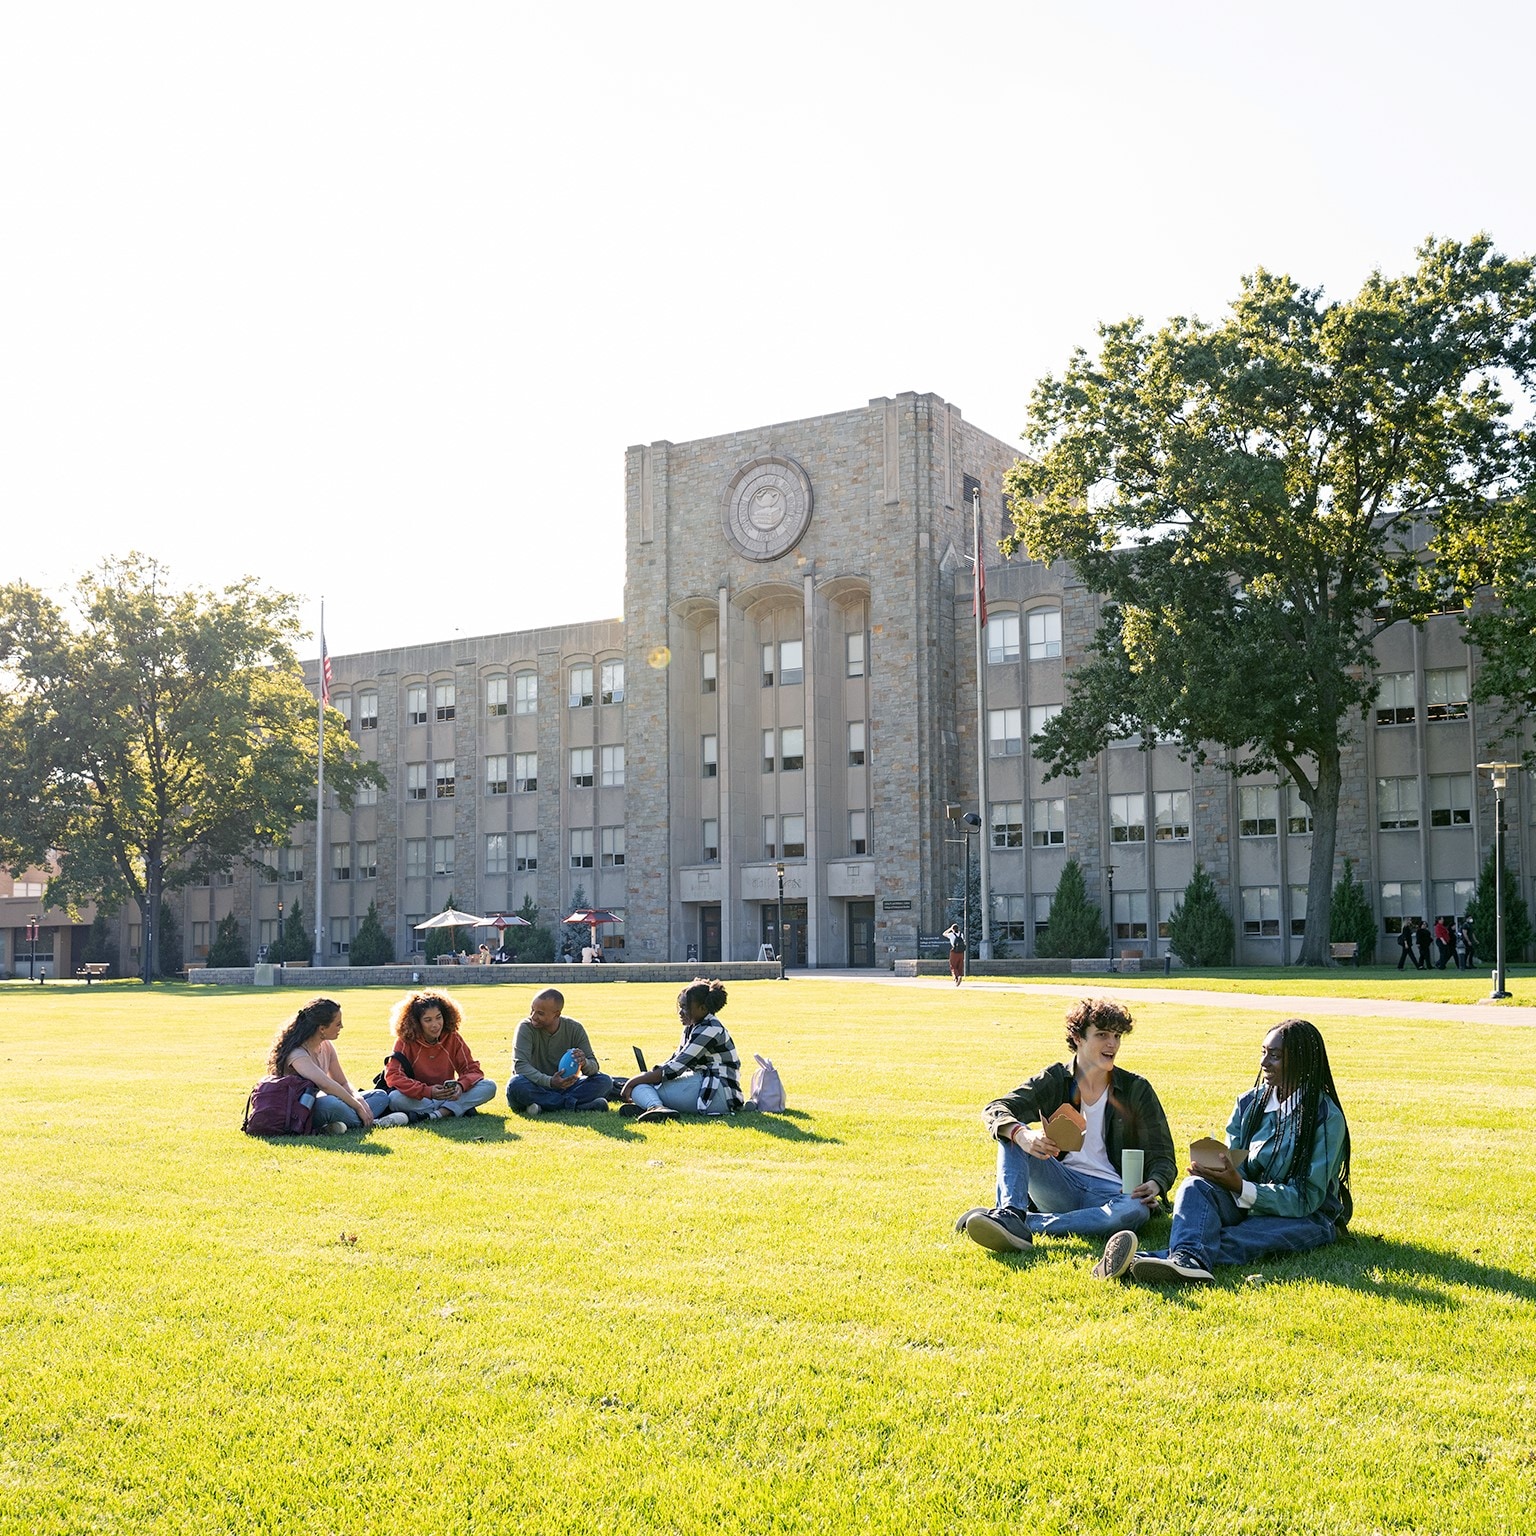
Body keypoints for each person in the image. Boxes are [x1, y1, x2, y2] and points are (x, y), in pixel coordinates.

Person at [1096, 1017, 1351, 1284]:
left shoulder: (1324, 1117)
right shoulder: (1249, 1103)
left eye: (1274, 1056)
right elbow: (1235, 1161)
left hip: (1306, 1216)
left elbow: (1306, 1198)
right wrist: (1215, 1172)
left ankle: (1145, 1260)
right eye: (1263, 1053)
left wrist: (1241, 1186)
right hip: (1244, 1200)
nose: (1264, 1063)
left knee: (1244, 1237)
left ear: (1302, 1061)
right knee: (1194, 1186)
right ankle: (1182, 1262)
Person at [955, 998, 1177, 1256]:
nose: (1112, 1044)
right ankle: (1010, 1213)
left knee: (1135, 1211)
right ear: (1078, 1038)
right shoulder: (1055, 1079)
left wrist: (1155, 1184)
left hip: (1113, 1194)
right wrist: (1023, 1135)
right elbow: (997, 1108)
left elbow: (1163, 1156)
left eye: (1117, 1036)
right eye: (1102, 1035)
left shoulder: (1137, 1089)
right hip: (1059, 1184)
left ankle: (1019, 1223)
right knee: (1012, 1131)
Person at [265, 996, 409, 1134]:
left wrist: (358, 1099)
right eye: (338, 1024)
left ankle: (337, 1125)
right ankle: (375, 1123)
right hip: (302, 1109)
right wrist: (358, 1107)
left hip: (326, 1101)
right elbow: (325, 1085)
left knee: (380, 1095)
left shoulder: (326, 1045)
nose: (342, 1027)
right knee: (331, 1103)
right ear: (322, 1028)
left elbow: (342, 1082)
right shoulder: (297, 1053)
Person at [621, 978, 743, 1121]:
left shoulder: (710, 1028)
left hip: (717, 1093)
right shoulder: (693, 1026)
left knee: (640, 1087)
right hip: (705, 1085)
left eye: (685, 1007)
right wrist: (648, 1075)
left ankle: (654, 1106)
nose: (681, 1012)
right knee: (645, 1084)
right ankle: (652, 1106)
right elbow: (675, 1058)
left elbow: (675, 1068)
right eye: (680, 1006)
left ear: (702, 1008)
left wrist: (633, 1081)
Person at [383, 990, 498, 1121]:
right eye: (428, 1020)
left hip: (449, 1095)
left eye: (439, 1017)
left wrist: (461, 1086)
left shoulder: (452, 1037)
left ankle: (436, 1114)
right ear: (416, 1022)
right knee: (394, 1099)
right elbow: (393, 1076)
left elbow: (472, 1069)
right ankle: (455, 1108)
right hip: (421, 1097)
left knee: (489, 1086)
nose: (435, 1025)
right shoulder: (405, 1040)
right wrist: (428, 1091)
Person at [505, 988, 615, 1115]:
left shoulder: (574, 1028)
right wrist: (550, 1082)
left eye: (540, 1013)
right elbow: (520, 1066)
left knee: (604, 1081)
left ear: (556, 1014)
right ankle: (577, 1106)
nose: (533, 1016)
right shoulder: (525, 1028)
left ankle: (544, 1105)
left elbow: (594, 1066)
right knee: (516, 1084)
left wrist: (584, 1062)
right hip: (535, 1085)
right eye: (532, 1010)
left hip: (566, 1087)